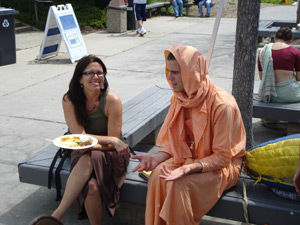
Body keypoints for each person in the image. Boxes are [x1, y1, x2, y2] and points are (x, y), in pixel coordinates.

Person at [132, 45, 246, 225]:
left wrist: (188, 168)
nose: (170, 77)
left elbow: (223, 158)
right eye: (169, 71)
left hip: (224, 166)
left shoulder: (222, 105)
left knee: (179, 184)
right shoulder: (180, 97)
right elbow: (179, 143)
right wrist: (158, 157)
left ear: (192, 72)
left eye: (176, 72)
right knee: (158, 175)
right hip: (190, 157)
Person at [31, 55, 130, 225]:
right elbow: (80, 137)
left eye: (100, 73)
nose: (96, 77)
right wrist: (109, 140)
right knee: (91, 187)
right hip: (83, 148)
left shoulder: (112, 100)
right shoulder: (69, 100)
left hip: (111, 153)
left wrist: (108, 142)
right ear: (79, 78)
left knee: (88, 156)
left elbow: (113, 141)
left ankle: (55, 217)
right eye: (89, 73)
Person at [257, 27, 300, 103]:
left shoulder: (263, 51)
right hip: (290, 94)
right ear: (289, 41)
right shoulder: (295, 52)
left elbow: (261, 77)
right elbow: (299, 77)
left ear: (275, 37)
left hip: (268, 94)